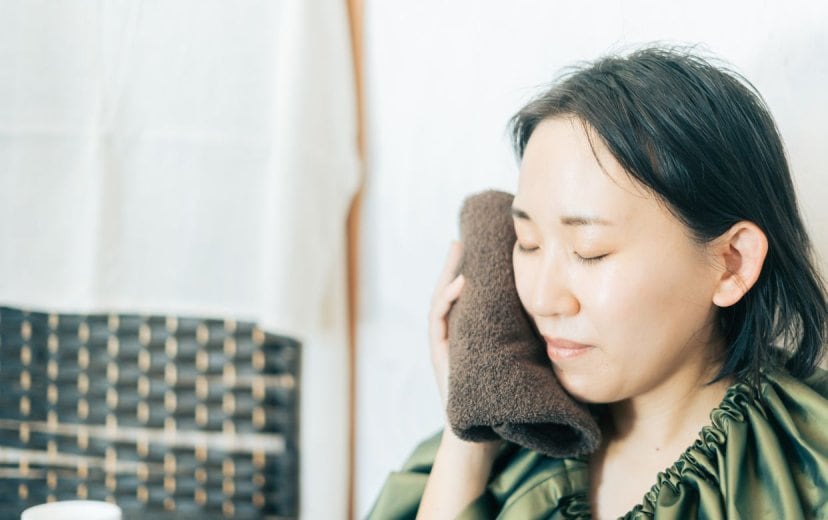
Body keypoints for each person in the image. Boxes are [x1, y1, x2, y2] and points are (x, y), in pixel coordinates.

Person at [367, 46, 828, 519]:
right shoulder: (507, 450)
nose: (541, 299)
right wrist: (468, 433)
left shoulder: (810, 474)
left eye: (590, 251)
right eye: (527, 242)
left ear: (731, 263)